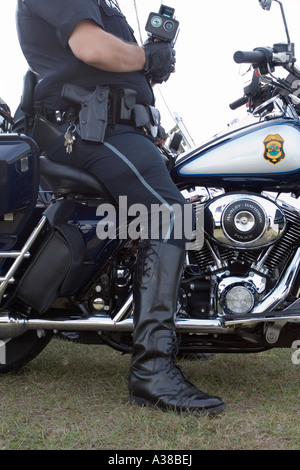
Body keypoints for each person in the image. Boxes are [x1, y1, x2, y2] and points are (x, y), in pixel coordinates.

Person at [16, 0, 225, 416]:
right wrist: (148, 56)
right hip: (88, 129)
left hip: (119, 128)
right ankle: (152, 370)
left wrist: (145, 70)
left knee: (189, 207)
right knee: (171, 216)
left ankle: (175, 331)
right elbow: (92, 48)